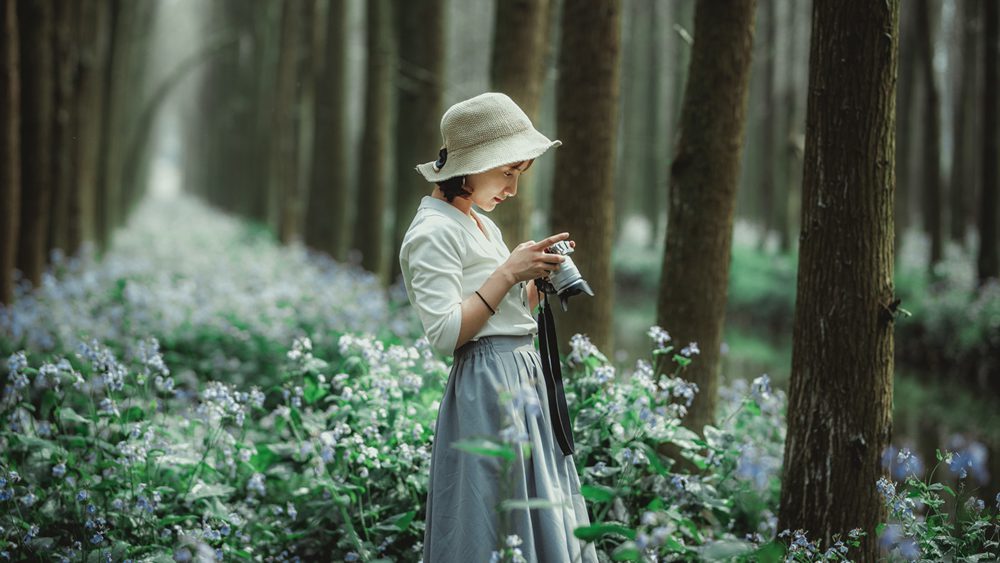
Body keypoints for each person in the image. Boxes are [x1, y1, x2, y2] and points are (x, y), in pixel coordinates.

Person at [399, 92, 598, 562]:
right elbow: (446, 334)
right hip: (487, 386)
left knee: (537, 508)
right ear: (468, 166)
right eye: (507, 172)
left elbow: (503, 313)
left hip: (523, 378)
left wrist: (535, 279)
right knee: (491, 515)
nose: (512, 189)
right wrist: (509, 271)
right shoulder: (431, 232)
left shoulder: (480, 225)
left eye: (518, 175)